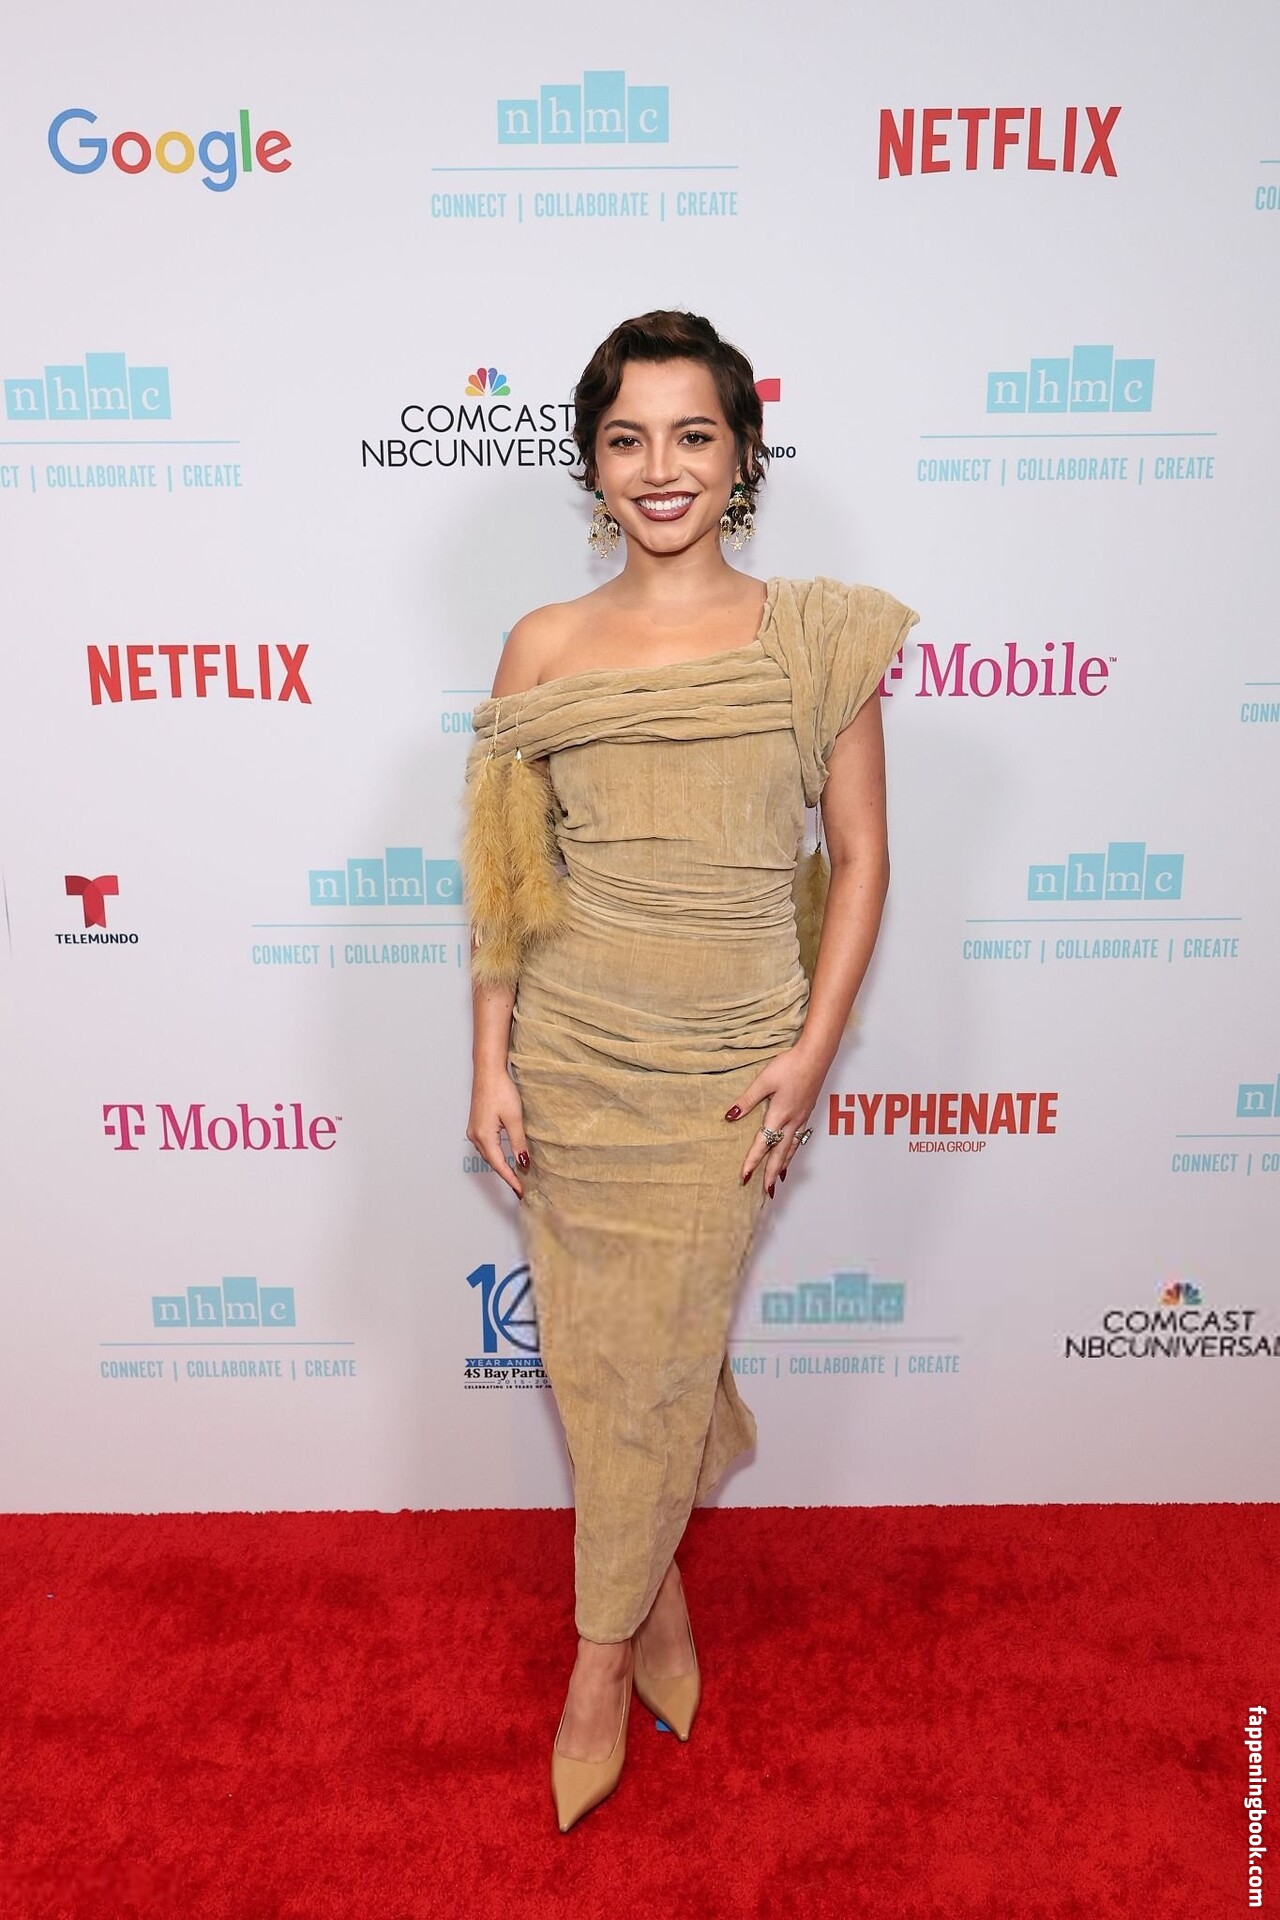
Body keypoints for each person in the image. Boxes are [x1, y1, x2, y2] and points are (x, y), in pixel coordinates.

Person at [462, 310, 917, 1831]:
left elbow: (861, 861)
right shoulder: (543, 642)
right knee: (606, 1362)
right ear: (593, 466)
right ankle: (653, 1603)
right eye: (627, 439)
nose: (661, 468)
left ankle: (596, 1665)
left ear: (743, 454)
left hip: (729, 1070)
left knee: (654, 1355)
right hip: (572, 1055)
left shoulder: (820, 637)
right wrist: (490, 1062)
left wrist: (810, 1059)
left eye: (693, 435)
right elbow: (508, 874)